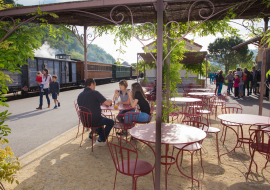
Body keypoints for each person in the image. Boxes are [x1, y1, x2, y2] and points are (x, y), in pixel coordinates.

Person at [77, 78, 114, 146]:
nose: (95, 86)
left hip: (85, 121)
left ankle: (100, 136)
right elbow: (108, 103)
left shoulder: (80, 95)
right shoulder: (95, 93)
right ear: (92, 84)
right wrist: (110, 100)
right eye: (95, 84)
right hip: (94, 121)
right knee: (111, 122)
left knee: (99, 119)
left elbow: (87, 105)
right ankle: (101, 140)